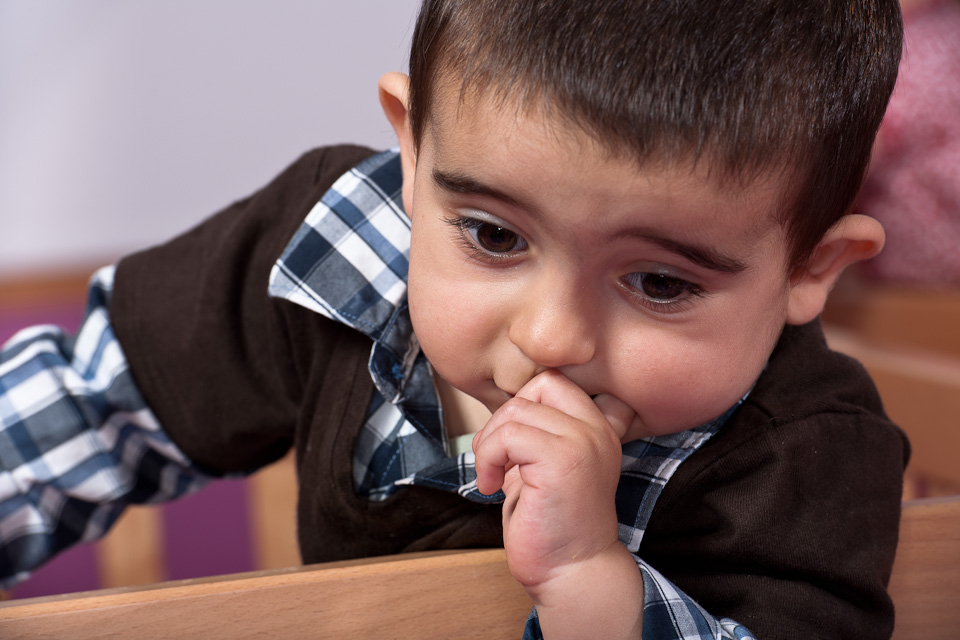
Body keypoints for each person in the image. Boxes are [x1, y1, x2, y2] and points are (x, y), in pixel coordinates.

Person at [0, 1, 909, 638]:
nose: (551, 337)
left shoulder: (809, 455)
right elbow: (91, 405)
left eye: (661, 285)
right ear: (411, 147)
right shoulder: (333, 240)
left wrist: (593, 585)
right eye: (491, 234)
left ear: (809, 269)